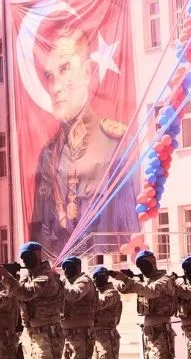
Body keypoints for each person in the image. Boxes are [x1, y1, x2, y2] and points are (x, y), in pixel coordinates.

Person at [30, 24, 138, 254]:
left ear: (87, 72)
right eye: (50, 76)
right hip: (62, 278)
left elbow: (129, 228)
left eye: (65, 69)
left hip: (104, 271)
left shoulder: (115, 143)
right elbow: (40, 235)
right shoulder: (48, 155)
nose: (55, 87)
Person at [91, 266, 122, 359]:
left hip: (107, 336)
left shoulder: (111, 293)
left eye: (99, 277)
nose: (96, 280)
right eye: (94, 278)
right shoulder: (100, 292)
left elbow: (98, 304)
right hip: (97, 336)